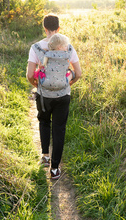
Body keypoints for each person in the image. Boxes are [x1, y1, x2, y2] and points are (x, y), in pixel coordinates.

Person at [26, 14, 82, 179]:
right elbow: (78, 73)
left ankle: (45, 156)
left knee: (44, 122)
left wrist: (37, 85)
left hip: (44, 95)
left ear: (44, 28)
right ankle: (55, 169)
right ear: (59, 28)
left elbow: (30, 74)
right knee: (59, 129)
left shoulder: (36, 47)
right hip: (63, 95)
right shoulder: (68, 47)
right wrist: (67, 83)